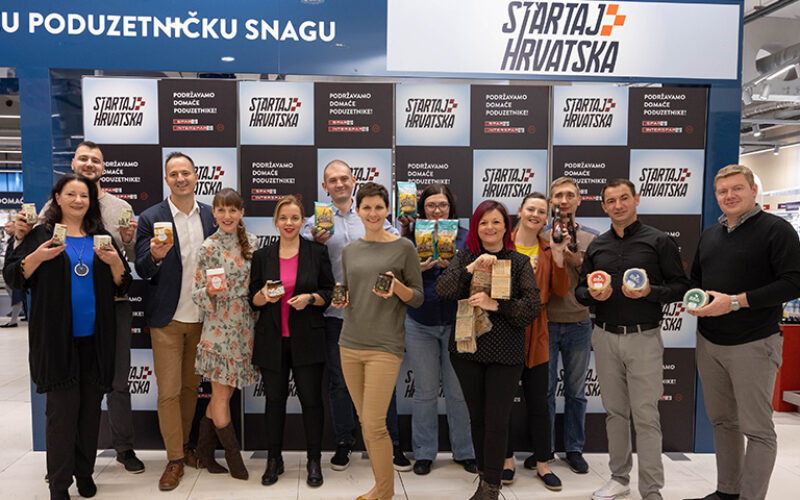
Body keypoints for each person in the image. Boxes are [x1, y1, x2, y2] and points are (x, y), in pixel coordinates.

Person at [14, 141, 144, 472]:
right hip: (61, 316)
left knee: (113, 383)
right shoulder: (49, 211)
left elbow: (127, 264)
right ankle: (61, 465)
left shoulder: (120, 208)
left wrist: (128, 241)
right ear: (72, 165)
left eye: (95, 160)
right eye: (83, 158)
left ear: (103, 168)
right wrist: (20, 235)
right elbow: (28, 259)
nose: (77, 201)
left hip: (110, 310)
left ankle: (121, 449)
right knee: (63, 397)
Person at [686, 165, 800, 500]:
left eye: (737, 188)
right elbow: (696, 280)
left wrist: (736, 302)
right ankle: (727, 492)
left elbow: (794, 282)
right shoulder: (710, 235)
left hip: (754, 342)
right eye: (722, 191)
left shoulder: (776, 230)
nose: (729, 196)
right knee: (724, 422)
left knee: (758, 430)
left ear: (753, 190)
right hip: (710, 342)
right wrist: (695, 299)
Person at [575, 179, 689, 500]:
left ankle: (651, 489)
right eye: (611, 201)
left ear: (636, 199)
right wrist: (592, 295)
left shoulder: (659, 241)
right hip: (604, 336)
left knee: (646, 415)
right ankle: (619, 478)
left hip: (644, 337)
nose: (618, 205)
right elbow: (580, 291)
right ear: (604, 206)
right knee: (615, 413)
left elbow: (681, 287)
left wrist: (650, 292)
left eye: (624, 198)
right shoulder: (597, 245)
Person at [300, 160, 411, 472]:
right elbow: (298, 254)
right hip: (336, 315)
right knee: (339, 382)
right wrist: (314, 243)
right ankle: (344, 441)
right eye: (332, 180)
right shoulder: (313, 224)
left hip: (376, 314)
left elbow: (398, 249)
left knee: (383, 381)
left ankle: (392, 444)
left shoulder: (372, 215)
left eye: (344, 178)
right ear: (325, 187)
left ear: (353, 181)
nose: (339, 184)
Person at [435, 200, 540, 500]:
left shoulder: (518, 262)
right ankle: (484, 478)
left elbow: (531, 308)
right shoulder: (464, 257)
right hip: (467, 351)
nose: (490, 227)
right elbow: (443, 290)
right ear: (475, 227)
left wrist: (497, 305)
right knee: (477, 419)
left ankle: (492, 488)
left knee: (496, 421)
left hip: (505, 353)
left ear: (506, 226)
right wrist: (471, 269)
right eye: (483, 222)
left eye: (496, 222)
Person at [334, 181, 423, 500]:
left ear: (388, 210)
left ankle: (384, 492)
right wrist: (343, 299)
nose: (373, 213)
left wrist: (397, 288)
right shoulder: (350, 251)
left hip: (385, 346)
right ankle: (381, 487)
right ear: (357, 211)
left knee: (374, 424)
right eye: (367, 207)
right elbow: (349, 290)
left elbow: (417, 298)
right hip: (349, 343)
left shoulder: (404, 247)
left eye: (379, 207)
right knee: (365, 421)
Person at [135, 152, 216, 491]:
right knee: (168, 392)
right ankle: (174, 459)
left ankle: (183, 447)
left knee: (189, 389)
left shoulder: (211, 215)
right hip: (166, 320)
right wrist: (154, 256)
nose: (181, 178)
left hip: (202, 319)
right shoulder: (150, 217)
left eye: (186, 172)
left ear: (196, 176)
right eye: (174, 174)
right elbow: (142, 268)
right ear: (166, 179)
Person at [250, 195, 334, 487]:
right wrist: (264, 296)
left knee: (312, 402)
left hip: (307, 338)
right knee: (274, 402)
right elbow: (252, 299)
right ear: (276, 221)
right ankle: (274, 459)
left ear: (303, 222)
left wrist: (310, 298)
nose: (289, 223)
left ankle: (314, 460)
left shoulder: (316, 252)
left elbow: (328, 293)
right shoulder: (262, 256)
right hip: (272, 340)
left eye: (295, 218)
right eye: (283, 217)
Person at [398, 184, 477, 475]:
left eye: (442, 205)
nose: (437, 210)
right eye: (431, 205)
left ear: (450, 207)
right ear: (422, 208)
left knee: (458, 392)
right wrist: (416, 270)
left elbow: (479, 277)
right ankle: (424, 453)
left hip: (458, 322)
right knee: (425, 391)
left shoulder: (466, 237)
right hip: (420, 321)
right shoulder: (409, 238)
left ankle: (465, 452)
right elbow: (396, 279)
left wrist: (456, 268)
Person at [503, 192, 570, 490]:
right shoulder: (503, 243)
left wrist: (558, 255)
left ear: (547, 218)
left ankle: (543, 463)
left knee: (539, 401)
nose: (535, 215)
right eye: (531, 209)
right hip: (504, 327)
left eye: (541, 211)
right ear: (520, 211)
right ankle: (506, 460)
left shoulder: (548, 246)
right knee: (502, 401)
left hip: (538, 329)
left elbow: (561, 290)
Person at [191, 188, 259, 481]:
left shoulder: (253, 243)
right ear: (214, 213)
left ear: (241, 212)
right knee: (220, 396)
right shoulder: (208, 247)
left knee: (225, 394)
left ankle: (204, 455)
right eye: (221, 210)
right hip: (218, 329)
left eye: (233, 210)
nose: (227, 216)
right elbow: (196, 293)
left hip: (245, 328)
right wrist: (209, 291)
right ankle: (234, 460)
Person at [545, 176, 598, 475]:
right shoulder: (540, 236)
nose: (563, 200)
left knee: (576, 392)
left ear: (579, 200)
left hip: (579, 323)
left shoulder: (592, 238)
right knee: (545, 392)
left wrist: (578, 262)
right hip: (545, 324)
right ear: (551, 202)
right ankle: (545, 450)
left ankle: (574, 449)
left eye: (569, 195)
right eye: (558, 196)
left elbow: (600, 282)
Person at [2, 219, 26, 328]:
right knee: (18, 295)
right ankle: (24, 315)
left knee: (16, 296)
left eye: (8, 227)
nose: (6, 229)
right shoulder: (12, 240)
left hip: (15, 273)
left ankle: (13, 321)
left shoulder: (17, 240)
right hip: (11, 272)